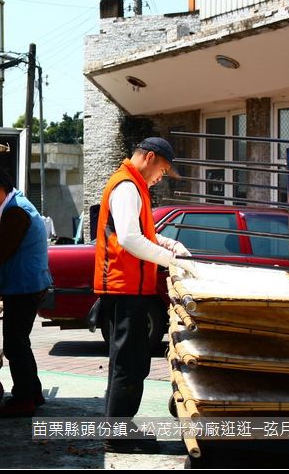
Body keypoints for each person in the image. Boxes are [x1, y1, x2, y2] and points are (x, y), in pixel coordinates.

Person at [93, 137, 199, 454]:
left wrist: (169, 246)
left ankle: (121, 427)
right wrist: (171, 261)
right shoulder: (126, 186)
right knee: (129, 363)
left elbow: (143, 234)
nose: (160, 177)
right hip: (125, 289)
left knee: (131, 362)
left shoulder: (134, 186)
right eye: (162, 170)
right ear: (149, 157)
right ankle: (118, 434)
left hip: (130, 288)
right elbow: (128, 238)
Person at [0, 167, 52, 417]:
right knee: (20, 343)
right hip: (27, 284)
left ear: (3, 184)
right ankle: (33, 393)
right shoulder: (14, 204)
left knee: (15, 346)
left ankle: (23, 399)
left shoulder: (15, 211)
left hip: (24, 286)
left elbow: (0, 252)